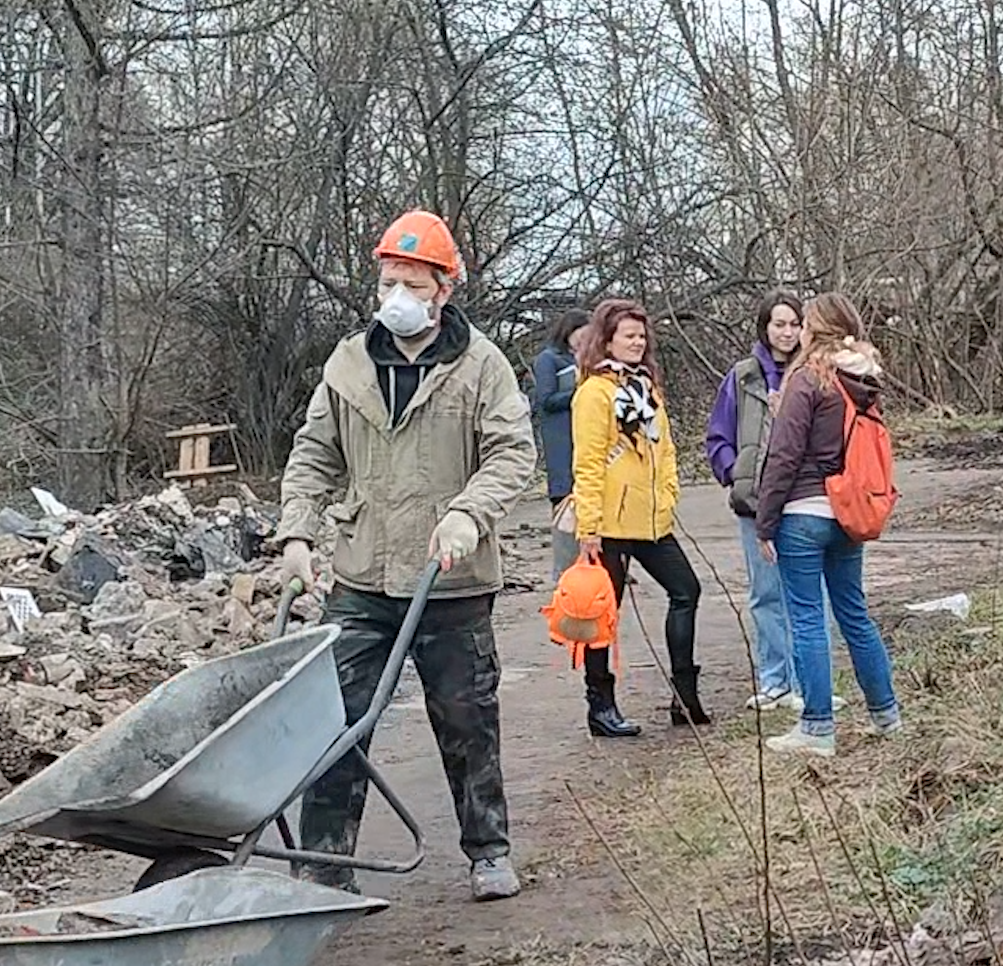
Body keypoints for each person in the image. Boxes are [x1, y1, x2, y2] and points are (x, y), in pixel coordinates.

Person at [276, 208, 536, 902]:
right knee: (336, 719)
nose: (397, 295)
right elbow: (313, 454)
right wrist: (297, 533)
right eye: (389, 280)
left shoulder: (480, 366)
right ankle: (324, 866)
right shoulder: (349, 364)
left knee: (466, 717)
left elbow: (513, 454)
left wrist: (467, 514)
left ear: (444, 289)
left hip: (449, 577)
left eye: (412, 283)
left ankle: (488, 850)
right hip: (362, 574)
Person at [753, 291, 902, 758]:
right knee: (854, 613)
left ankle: (817, 727)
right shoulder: (863, 381)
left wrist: (765, 521)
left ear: (814, 329)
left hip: (803, 513)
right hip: (848, 512)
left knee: (807, 618)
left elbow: (784, 455)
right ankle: (886, 713)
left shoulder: (808, 379)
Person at [570, 298, 712, 738]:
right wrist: (588, 527)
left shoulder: (647, 387)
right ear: (607, 339)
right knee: (601, 614)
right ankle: (601, 705)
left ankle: (684, 696)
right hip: (609, 524)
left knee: (686, 589)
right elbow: (588, 462)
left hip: (651, 520)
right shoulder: (594, 393)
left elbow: (664, 448)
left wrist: (668, 494)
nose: (637, 342)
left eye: (641, 335)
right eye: (628, 335)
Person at [705, 290, 840, 715]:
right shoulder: (743, 376)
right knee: (765, 593)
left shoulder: (818, 373)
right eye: (778, 324)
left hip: (804, 500)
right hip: (756, 500)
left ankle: (811, 682)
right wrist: (735, 474)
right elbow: (718, 435)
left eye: (794, 324)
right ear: (765, 328)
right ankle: (774, 680)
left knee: (807, 594)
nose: (786, 332)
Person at [533, 309, 591, 578]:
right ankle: (567, 570)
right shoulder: (549, 359)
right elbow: (545, 401)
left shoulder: (590, 359)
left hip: (588, 439)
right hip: (562, 441)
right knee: (566, 507)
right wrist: (583, 390)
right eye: (583, 334)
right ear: (569, 330)